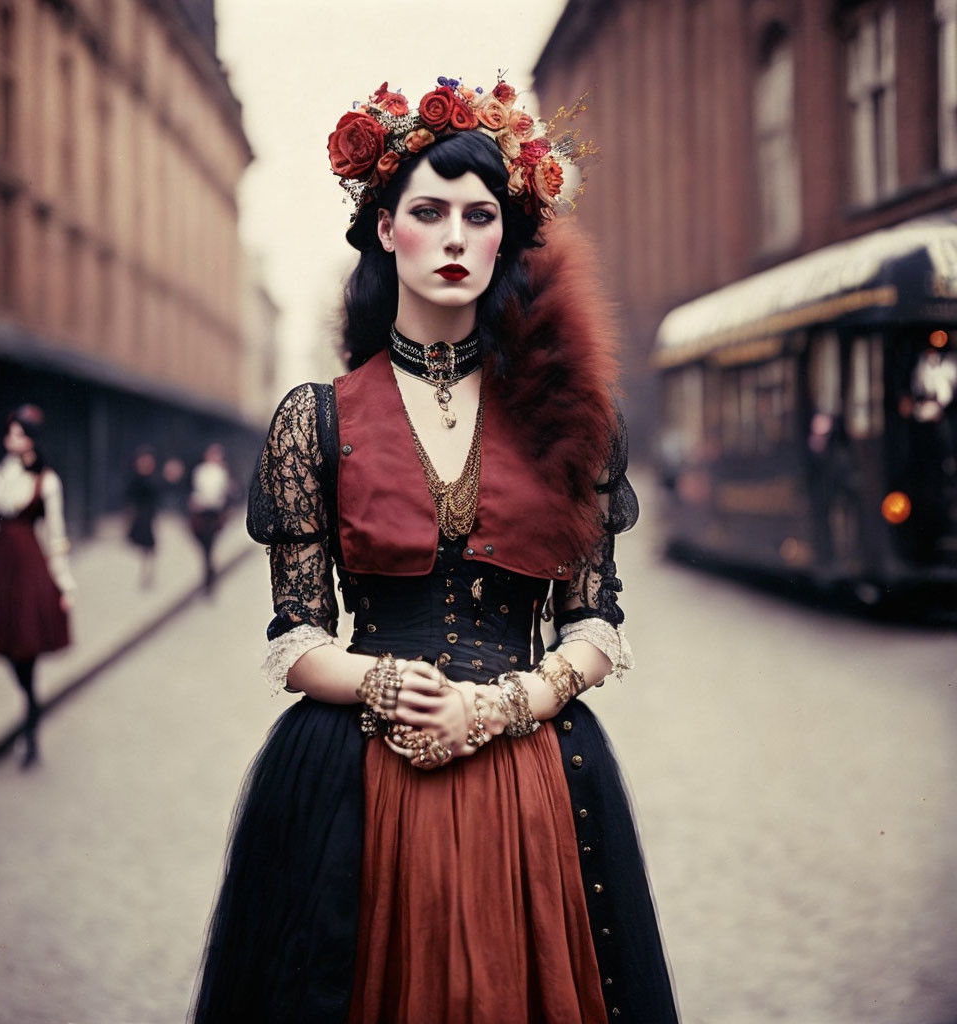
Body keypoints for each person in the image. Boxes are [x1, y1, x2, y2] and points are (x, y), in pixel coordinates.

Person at [192, 76, 678, 1024]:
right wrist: (375, 683)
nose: (455, 236)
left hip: (534, 781)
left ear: (506, 238)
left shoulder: (568, 418)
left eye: (478, 214)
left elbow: (594, 624)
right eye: (428, 211)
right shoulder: (315, 421)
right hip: (358, 785)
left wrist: (504, 703)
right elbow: (295, 638)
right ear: (385, 230)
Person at [0, 404, 74, 767]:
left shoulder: (46, 481)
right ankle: (30, 706)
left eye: (17, 433)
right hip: (3, 570)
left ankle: (30, 727)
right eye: (9, 432)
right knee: (9, 647)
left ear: (30, 438)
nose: (9, 439)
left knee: (26, 646)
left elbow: (57, 535)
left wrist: (64, 584)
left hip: (30, 569)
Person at [188, 443, 233, 594]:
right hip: (201, 512)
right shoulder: (200, 471)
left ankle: (208, 575)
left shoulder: (222, 472)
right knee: (204, 543)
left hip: (214, 512)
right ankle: (209, 570)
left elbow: (225, 493)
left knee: (210, 543)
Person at [126, 445, 160, 588]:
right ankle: (140, 575)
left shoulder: (152, 479)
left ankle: (146, 574)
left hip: (148, 515)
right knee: (140, 546)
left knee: (148, 547)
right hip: (140, 516)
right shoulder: (136, 480)